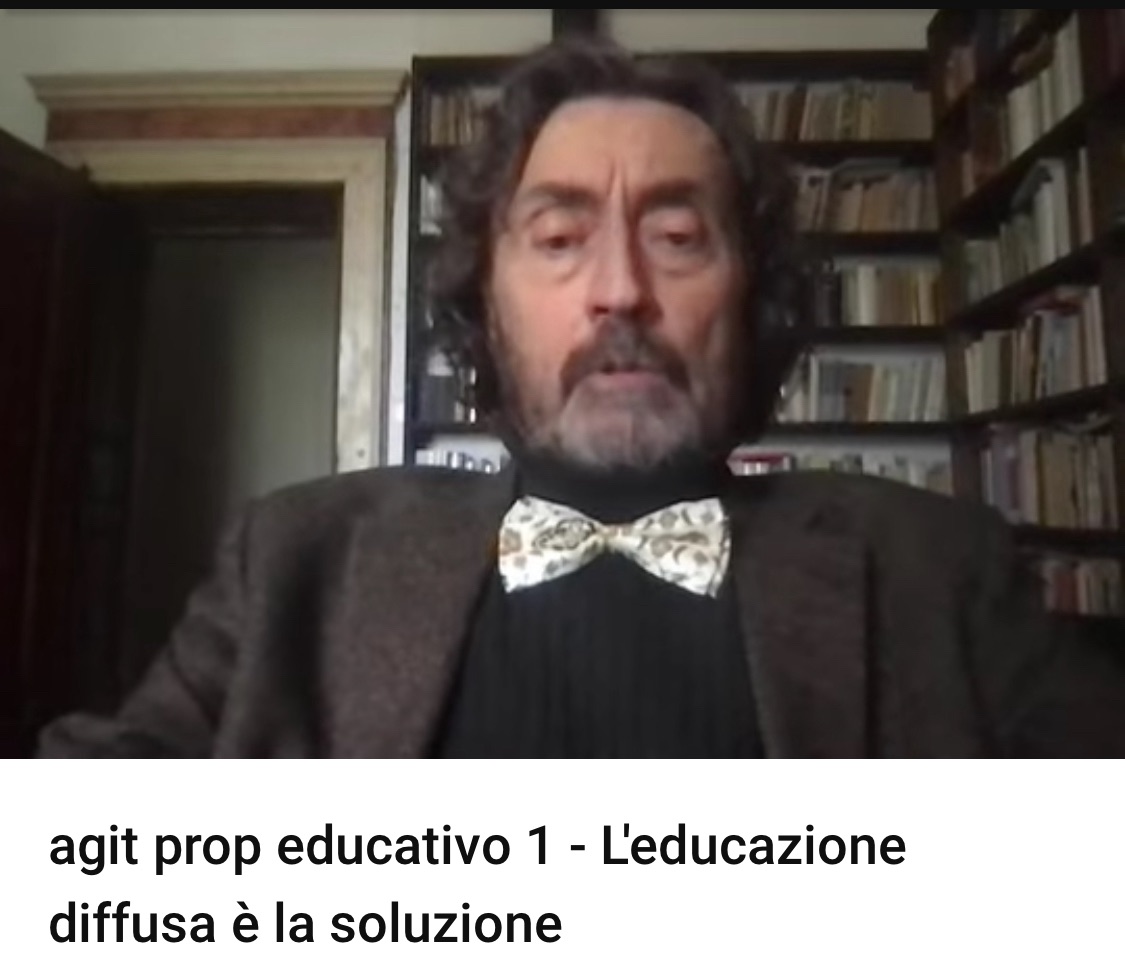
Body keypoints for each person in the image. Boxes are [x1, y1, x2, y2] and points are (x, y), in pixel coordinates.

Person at [38, 36, 1123, 758]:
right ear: (487, 298)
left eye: (678, 235)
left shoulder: (939, 569)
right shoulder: (293, 558)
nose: (620, 290)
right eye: (558, 238)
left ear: (753, 294)